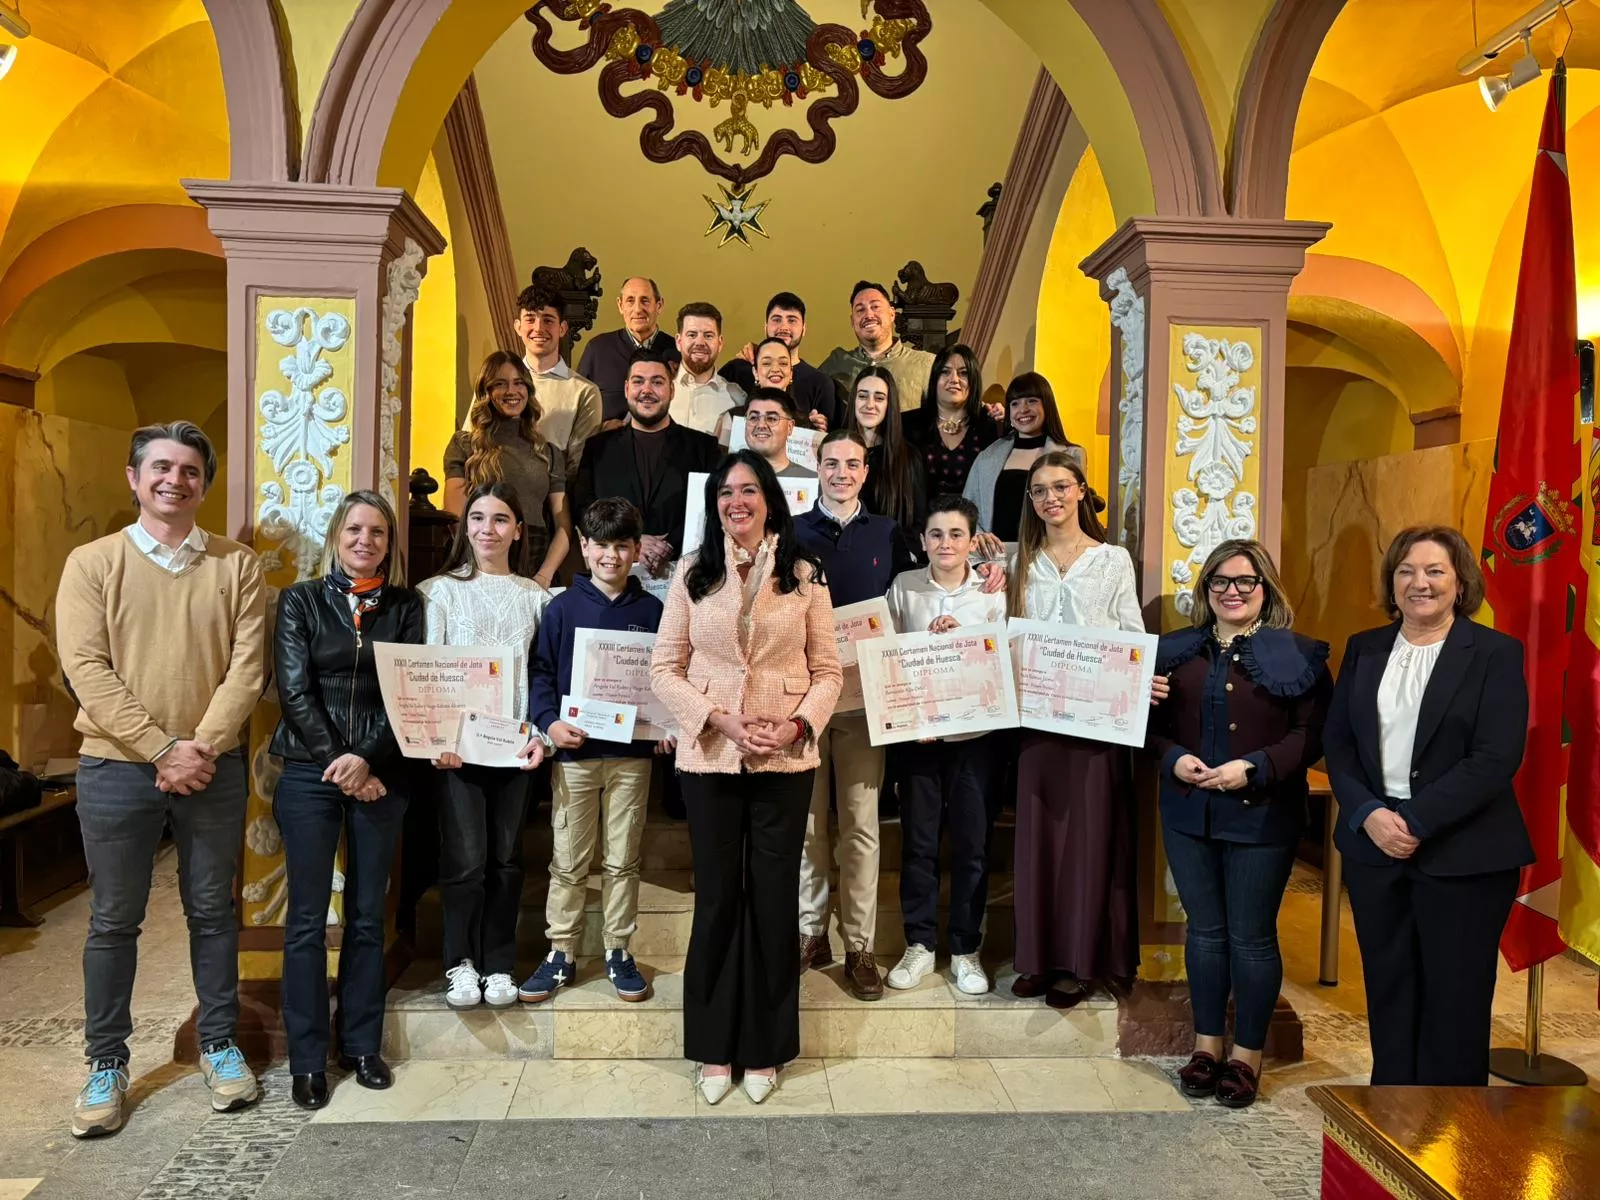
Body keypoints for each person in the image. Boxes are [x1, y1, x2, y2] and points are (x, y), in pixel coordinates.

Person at [55, 420, 266, 1138]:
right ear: (134, 477)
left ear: (205, 483)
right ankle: (106, 1063)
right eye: (162, 468)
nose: (175, 480)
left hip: (212, 766)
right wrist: (159, 750)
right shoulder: (92, 563)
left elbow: (247, 668)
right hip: (116, 768)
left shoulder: (236, 565)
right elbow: (87, 670)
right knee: (115, 920)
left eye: (189, 470)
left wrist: (199, 746)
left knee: (213, 911)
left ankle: (218, 1044)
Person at [650, 451, 843, 1105]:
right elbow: (663, 668)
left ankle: (764, 1048)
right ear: (715, 506)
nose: (737, 501)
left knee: (771, 898)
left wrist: (794, 726)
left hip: (785, 759)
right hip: (711, 757)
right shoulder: (692, 573)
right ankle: (712, 1048)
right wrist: (718, 720)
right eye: (726, 493)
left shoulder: (805, 574)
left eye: (749, 490)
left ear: (770, 500)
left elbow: (830, 673)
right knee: (717, 902)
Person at [1323, 526, 1532, 1087]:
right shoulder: (1365, 648)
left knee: (1455, 1001)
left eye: (1435, 571)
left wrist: (1413, 821)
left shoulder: (1494, 653)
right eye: (1406, 571)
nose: (1420, 583)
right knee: (1388, 987)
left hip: (1463, 852)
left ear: (1460, 581)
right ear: (1391, 584)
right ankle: (1391, 1116)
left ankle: (1453, 1135)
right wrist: (1369, 814)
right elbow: (1338, 743)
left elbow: (1494, 757)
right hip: (1375, 848)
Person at [1151, 539, 1332, 1109]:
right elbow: (1144, 725)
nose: (1232, 591)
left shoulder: (1300, 655)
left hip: (1263, 814)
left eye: (1244, 582)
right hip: (1189, 813)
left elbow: (1311, 735)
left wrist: (1253, 768)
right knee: (1204, 933)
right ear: (1205, 591)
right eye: (1220, 582)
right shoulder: (1174, 651)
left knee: (1251, 938)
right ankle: (1207, 1045)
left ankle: (1246, 1054)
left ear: (1265, 589)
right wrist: (1171, 756)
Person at [270, 489, 424, 1110]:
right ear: (337, 535)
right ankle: (307, 1059)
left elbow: (408, 687)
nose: (367, 541)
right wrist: (342, 761)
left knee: (366, 915)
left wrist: (369, 760)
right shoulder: (300, 600)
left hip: (382, 771)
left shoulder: (407, 606)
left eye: (379, 533)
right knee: (308, 920)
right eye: (356, 530)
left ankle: (360, 1045)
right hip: (311, 771)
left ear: (390, 542)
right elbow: (293, 689)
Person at [1008, 453, 1144, 1007]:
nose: (1050, 499)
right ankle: (1038, 959)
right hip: (1037, 721)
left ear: (1082, 491)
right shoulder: (1020, 560)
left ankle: (1082, 961)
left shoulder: (1112, 561)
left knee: (1087, 844)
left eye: (1060, 487)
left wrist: (1140, 677)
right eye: (1039, 491)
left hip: (1094, 724)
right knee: (1038, 841)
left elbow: (1132, 632)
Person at [525, 497, 665, 1003]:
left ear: (636, 551)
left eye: (622, 546)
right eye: (601, 545)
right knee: (568, 859)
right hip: (576, 756)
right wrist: (550, 723)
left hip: (632, 756)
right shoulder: (561, 607)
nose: (611, 555)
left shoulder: (652, 610)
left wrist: (666, 724)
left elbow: (665, 678)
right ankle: (560, 952)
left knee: (623, 858)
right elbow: (540, 673)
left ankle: (618, 950)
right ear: (584, 547)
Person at [417, 483, 550, 1011]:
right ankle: (460, 963)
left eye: (500, 519)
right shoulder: (438, 592)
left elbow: (544, 675)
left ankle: (499, 963)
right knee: (466, 858)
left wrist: (541, 737)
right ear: (464, 527)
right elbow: (428, 674)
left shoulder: (537, 598)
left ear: (518, 530)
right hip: (458, 751)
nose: (487, 529)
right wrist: (436, 739)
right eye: (477, 518)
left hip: (517, 748)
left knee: (507, 861)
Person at [791, 429, 911, 1000]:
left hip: (866, 703)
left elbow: (913, 595)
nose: (841, 472)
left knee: (861, 826)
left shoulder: (888, 533)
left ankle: (860, 944)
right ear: (816, 467)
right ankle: (810, 932)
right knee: (809, 826)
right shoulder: (788, 532)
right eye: (831, 462)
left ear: (867, 471)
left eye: (852, 464)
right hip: (801, 704)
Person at [884, 495, 1009, 997]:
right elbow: (888, 655)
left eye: (956, 534)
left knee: (973, 845)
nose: (946, 544)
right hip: (920, 736)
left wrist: (965, 636)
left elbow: (1004, 657)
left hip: (976, 738)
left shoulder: (994, 590)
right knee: (918, 843)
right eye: (936, 535)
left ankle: (965, 948)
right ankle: (918, 943)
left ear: (972, 540)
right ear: (922, 541)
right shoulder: (904, 587)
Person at [571, 346, 723, 581]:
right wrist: (633, 541)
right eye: (638, 381)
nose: (647, 390)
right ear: (626, 388)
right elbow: (583, 507)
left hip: (684, 575)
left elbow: (712, 506)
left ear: (672, 390)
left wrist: (669, 545)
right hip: (615, 575)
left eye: (657, 382)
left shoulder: (704, 448)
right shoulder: (597, 448)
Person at [444, 351, 574, 588]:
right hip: (479, 560)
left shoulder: (548, 451)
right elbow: (456, 519)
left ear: (528, 390)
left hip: (535, 562)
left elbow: (563, 526)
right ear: (486, 392)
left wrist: (543, 576)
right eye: (500, 384)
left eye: (518, 383)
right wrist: (479, 570)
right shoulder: (464, 445)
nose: (511, 391)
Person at [967, 372, 1084, 556]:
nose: (1023, 409)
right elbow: (968, 510)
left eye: (1031, 401)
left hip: (1049, 558)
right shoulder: (987, 457)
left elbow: (1078, 516)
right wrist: (979, 536)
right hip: (995, 561)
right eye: (1015, 403)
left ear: (1047, 404)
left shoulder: (1071, 455)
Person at [511, 284, 603, 472]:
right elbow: (472, 443)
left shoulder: (585, 392)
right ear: (518, 327)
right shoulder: (498, 383)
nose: (538, 328)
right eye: (530, 319)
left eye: (548, 320)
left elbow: (578, 466)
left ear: (562, 328)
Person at [721, 291, 841, 430]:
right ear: (765, 326)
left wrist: (818, 430)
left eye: (792, 320)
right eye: (776, 319)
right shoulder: (738, 369)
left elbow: (828, 437)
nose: (783, 327)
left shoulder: (820, 382)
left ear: (804, 328)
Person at [578, 275, 681, 426]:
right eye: (630, 301)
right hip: (609, 445)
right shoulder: (598, 349)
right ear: (620, 305)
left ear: (659, 305)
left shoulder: (678, 351)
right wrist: (598, 429)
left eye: (645, 301)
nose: (638, 309)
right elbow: (579, 407)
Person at [902, 344, 999, 501]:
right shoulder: (907, 424)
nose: (954, 379)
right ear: (934, 379)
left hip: (975, 521)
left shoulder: (989, 426)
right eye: (945, 372)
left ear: (974, 381)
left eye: (963, 373)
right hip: (921, 522)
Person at [819, 280, 935, 410]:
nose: (868, 315)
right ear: (852, 321)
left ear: (892, 313)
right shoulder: (837, 362)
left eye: (875, 307)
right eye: (860, 310)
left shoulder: (927, 364)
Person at [848, 367, 926, 544]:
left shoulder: (909, 457)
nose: (870, 404)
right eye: (862, 396)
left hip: (891, 559)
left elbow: (918, 523)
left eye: (879, 398)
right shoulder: (835, 450)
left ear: (889, 404)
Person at [670, 301, 745, 441]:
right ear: (678, 342)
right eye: (692, 335)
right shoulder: (657, 390)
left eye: (708, 335)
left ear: (720, 343)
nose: (700, 342)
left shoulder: (737, 399)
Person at [743, 388, 815, 478]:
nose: (761, 425)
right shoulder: (726, 476)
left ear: (790, 427)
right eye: (753, 418)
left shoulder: (812, 482)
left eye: (771, 419)